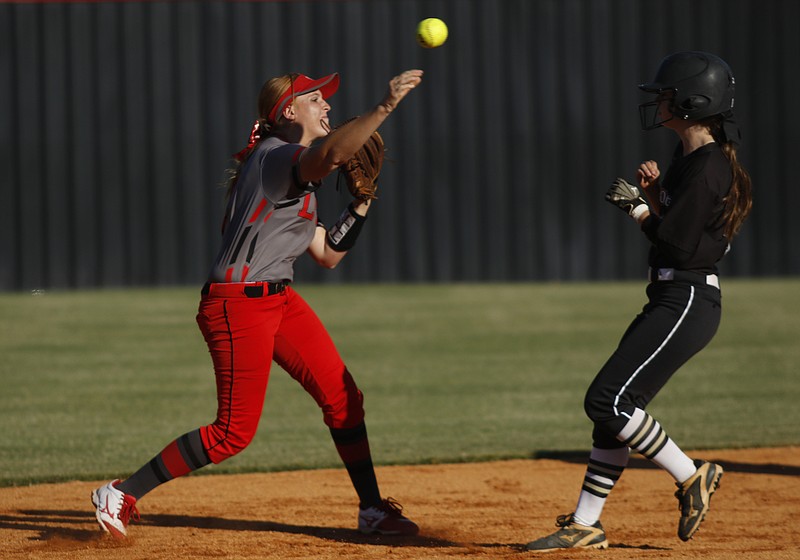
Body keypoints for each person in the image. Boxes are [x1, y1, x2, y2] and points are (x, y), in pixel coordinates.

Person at [91, 68, 424, 539]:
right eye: (315, 99)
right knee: (232, 434)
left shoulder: (297, 174)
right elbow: (330, 154)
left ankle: (372, 508)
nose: (326, 105)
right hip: (236, 306)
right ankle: (121, 492)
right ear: (289, 111)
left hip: (278, 300)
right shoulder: (277, 158)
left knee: (344, 398)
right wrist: (384, 107)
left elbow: (328, 254)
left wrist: (362, 203)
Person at [526, 51, 752, 552]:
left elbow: (674, 243)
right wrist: (654, 195)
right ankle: (586, 523)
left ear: (696, 101)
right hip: (673, 295)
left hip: (688, 299)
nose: (660, 101)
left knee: (606, 400)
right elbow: (678, 224)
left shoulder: (710, 166)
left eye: (668, 94)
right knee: (613, 411)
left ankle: (692, 474)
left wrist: (638, 208)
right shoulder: (691, 160)